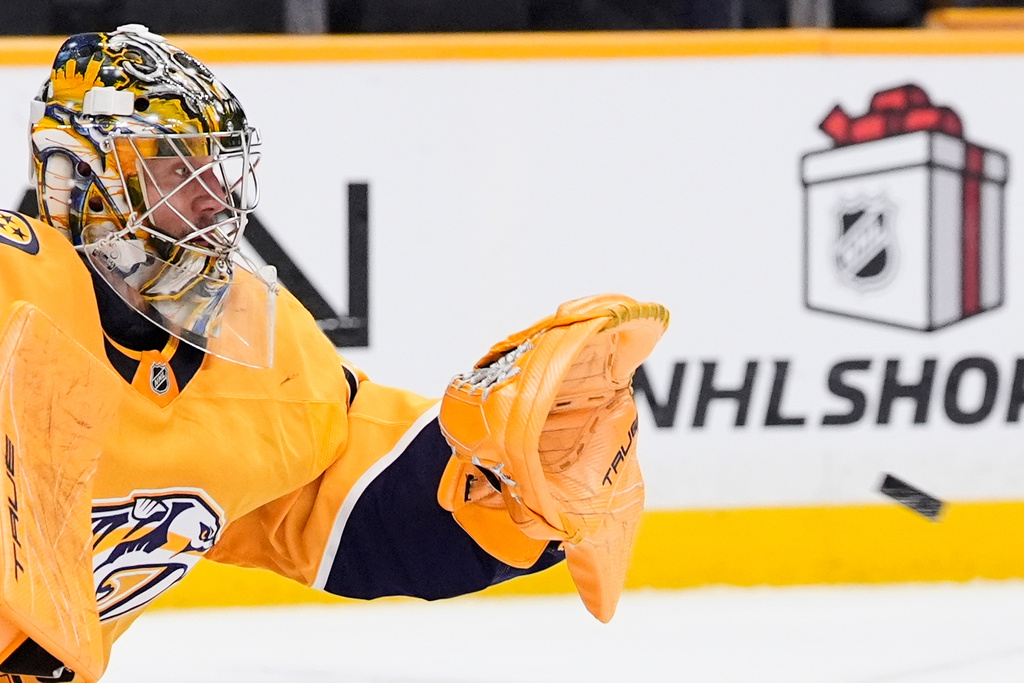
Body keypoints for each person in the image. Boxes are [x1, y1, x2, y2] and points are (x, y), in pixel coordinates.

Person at [0, 24, 668, 682]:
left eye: (215, 167)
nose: (214, 199)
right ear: (78, 178)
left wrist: (509, 487)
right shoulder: (13, 283)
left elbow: (360, 509)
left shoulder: (260, 354)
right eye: (177, 168)